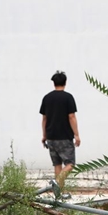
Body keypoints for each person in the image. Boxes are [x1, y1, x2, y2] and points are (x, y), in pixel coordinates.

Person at [40, 71, 81, 199]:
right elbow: (71, 116)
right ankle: (57, 183)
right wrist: (77, 135)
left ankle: (59, 195)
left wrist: (44, 135)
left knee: (57, 164)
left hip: (51, 137)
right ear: (65, 82)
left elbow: (44, 119)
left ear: (54, 83)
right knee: (70, 164)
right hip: (64, 136)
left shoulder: (47, 98)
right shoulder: (68, 98)